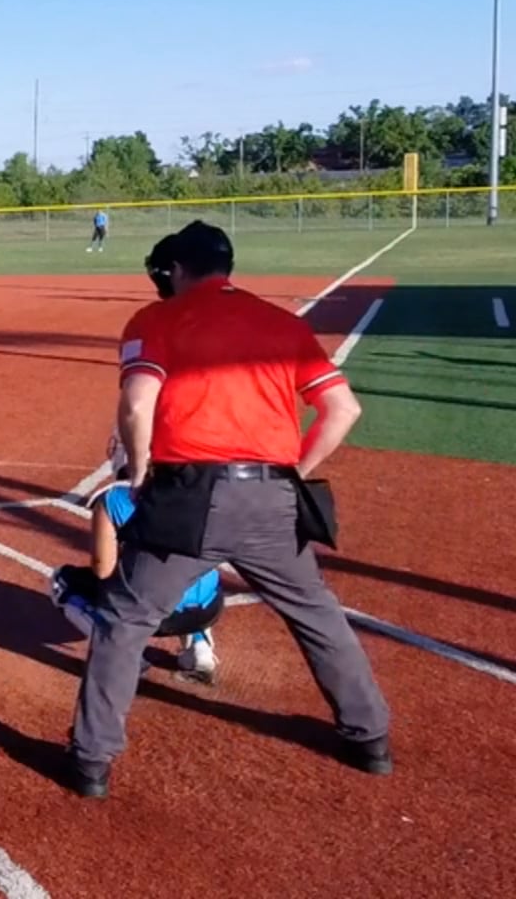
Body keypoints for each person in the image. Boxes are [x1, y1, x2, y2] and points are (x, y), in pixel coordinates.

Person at [63, 221, 388, 799]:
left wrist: (138, 472)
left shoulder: (157, 319)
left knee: (125, 618)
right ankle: (371, 739)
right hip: (273, 497)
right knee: (315, 613)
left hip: (190, 496)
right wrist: (294, 471)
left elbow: (137, 405)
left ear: (177, 270)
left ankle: (92, 761)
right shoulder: (283, 323)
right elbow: (343, 409)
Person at [51, 436, 221, 683]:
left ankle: (125, 659)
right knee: (189, 571)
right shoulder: (198, 487)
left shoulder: (114, 498)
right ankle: (200, 649)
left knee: (63, 583)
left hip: (153, 612)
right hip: (210, 606)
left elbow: (102, 571)